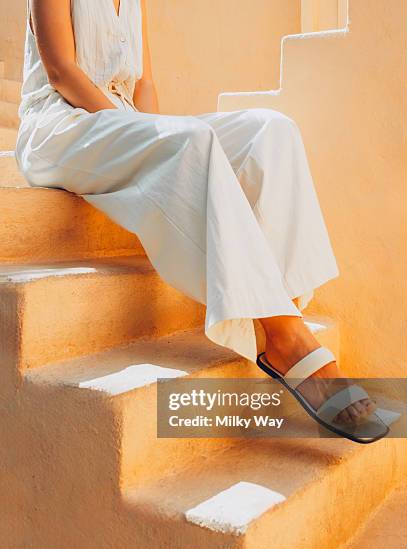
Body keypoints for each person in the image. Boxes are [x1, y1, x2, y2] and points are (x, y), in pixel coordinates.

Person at [15, 0, 385, 441]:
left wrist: (149, 128)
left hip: (122, 122)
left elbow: (145, 81)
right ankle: (285, 336)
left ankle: (280, 301)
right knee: (191, 142)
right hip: (61, 126)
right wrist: (151, 135)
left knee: (271, 130)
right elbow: (61, 71)